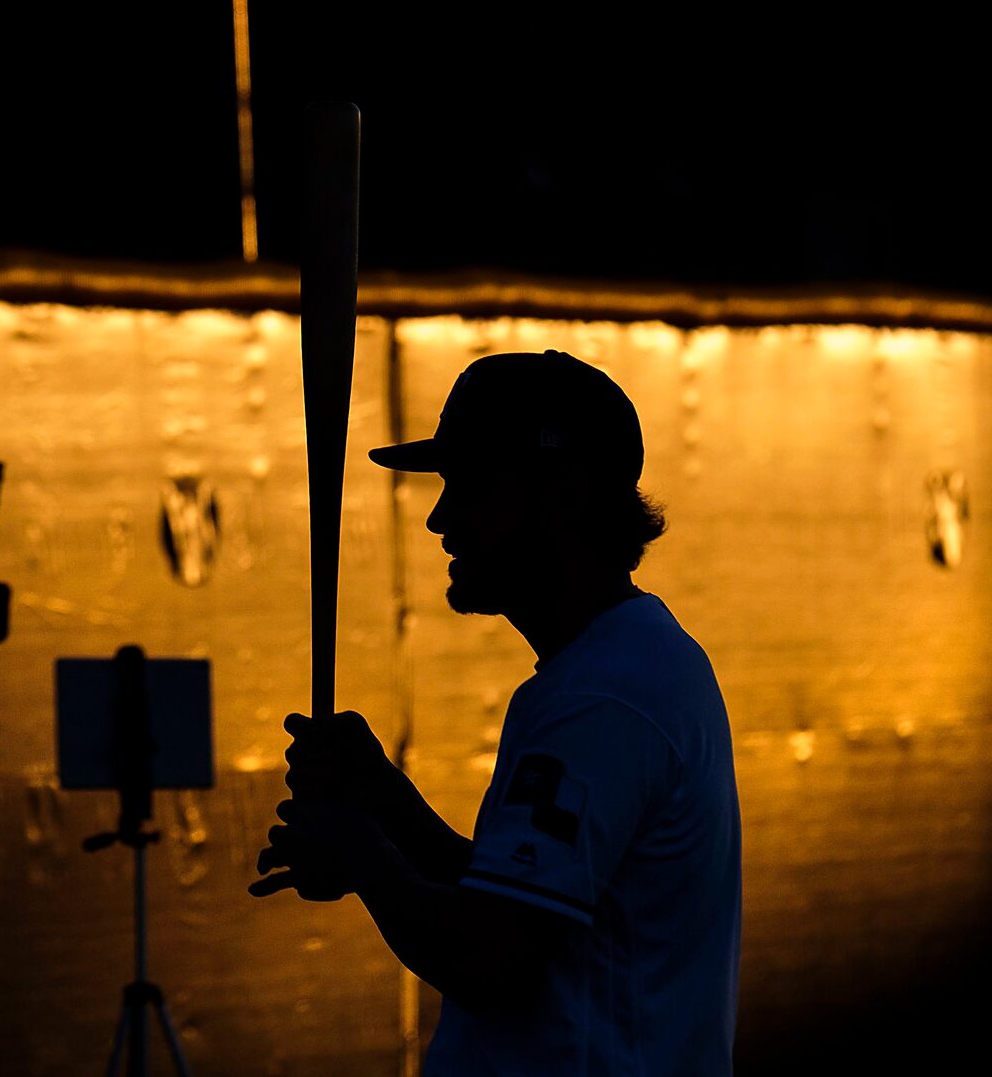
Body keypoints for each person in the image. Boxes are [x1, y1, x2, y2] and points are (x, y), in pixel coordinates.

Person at [252, 350, 741, 1075]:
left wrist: (362, 855)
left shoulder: (598, 696)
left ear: (566, 493)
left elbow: (490, 959)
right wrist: (386, 802)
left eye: (471, 484)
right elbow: (522, 903)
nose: (440, 517)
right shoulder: (628, 662)